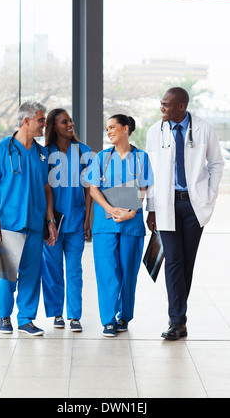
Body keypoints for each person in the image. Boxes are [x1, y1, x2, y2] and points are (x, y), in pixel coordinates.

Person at [146, 87, 224, 340]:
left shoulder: (204, 129)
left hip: (193, 206)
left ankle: (178, 317)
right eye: (161, 104)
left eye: (166, 105)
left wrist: (209, 195)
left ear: (181, 106)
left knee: (186, 263)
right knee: (174, 262)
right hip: (167, 205)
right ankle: (177, 320)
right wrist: (152, 208)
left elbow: (216, 164)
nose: (162, 108)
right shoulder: (154, 131)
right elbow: (151, 172)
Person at [0, 101, 57, 336]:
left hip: (35, 223)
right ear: (27, 121)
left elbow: (46, 188)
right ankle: (4, 317)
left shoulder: (41, 153)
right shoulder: (3, 148)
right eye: (41, 120)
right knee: (6, 275)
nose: (45, 125)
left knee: (31, 275)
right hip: (8, 224)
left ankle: (26, 319)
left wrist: (51, 221)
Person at [83, 114, 153, 337]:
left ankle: (124, 316)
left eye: (113, 127)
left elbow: (144, 188)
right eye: (107, 129)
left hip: (132, 225)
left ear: (125, 129)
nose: (109, 132)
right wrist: (110, 209)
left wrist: (132, 212)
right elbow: (93, 188)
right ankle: (108, 320)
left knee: (128, 272)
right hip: (105, 225)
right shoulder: (102, 157)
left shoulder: (142, 157)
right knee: (107, 273)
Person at [41, 108, 93, 332]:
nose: (70, 124)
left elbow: (90, 188)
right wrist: (48, 219)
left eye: (70, 120)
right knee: (52, 270)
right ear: (54, 126)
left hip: (76, 220)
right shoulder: (44, 153)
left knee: (74, 270)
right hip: (51, 223)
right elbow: (43, 189)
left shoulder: (84, 151)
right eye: (64, 122)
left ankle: (74, 315)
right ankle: (56, 314)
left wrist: (87, 219)